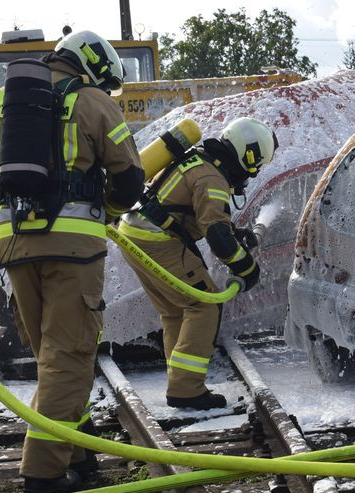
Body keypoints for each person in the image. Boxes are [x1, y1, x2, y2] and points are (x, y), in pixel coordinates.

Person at [0, 30, 144, 493]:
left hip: (13, 244)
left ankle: (77, 451)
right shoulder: (94, 101)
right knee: (70, 353)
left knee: (51, 354)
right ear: (92, 63)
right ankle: (42, 471)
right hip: (73, 247)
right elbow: (130, 177)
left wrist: (1, 199)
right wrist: (108, 211)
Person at [118, 117, 276, 410]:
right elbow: (217, 237)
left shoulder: (200, 161)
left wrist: (235, 234)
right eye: (255, 166)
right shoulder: (212, 177)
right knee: (204, 305)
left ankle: (180, 381)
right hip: (157, 240)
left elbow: (202, 217)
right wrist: (246, 268)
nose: (252, 174)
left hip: (134, 232)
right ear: (247, 155)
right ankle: (187, 390)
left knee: (177, 310)